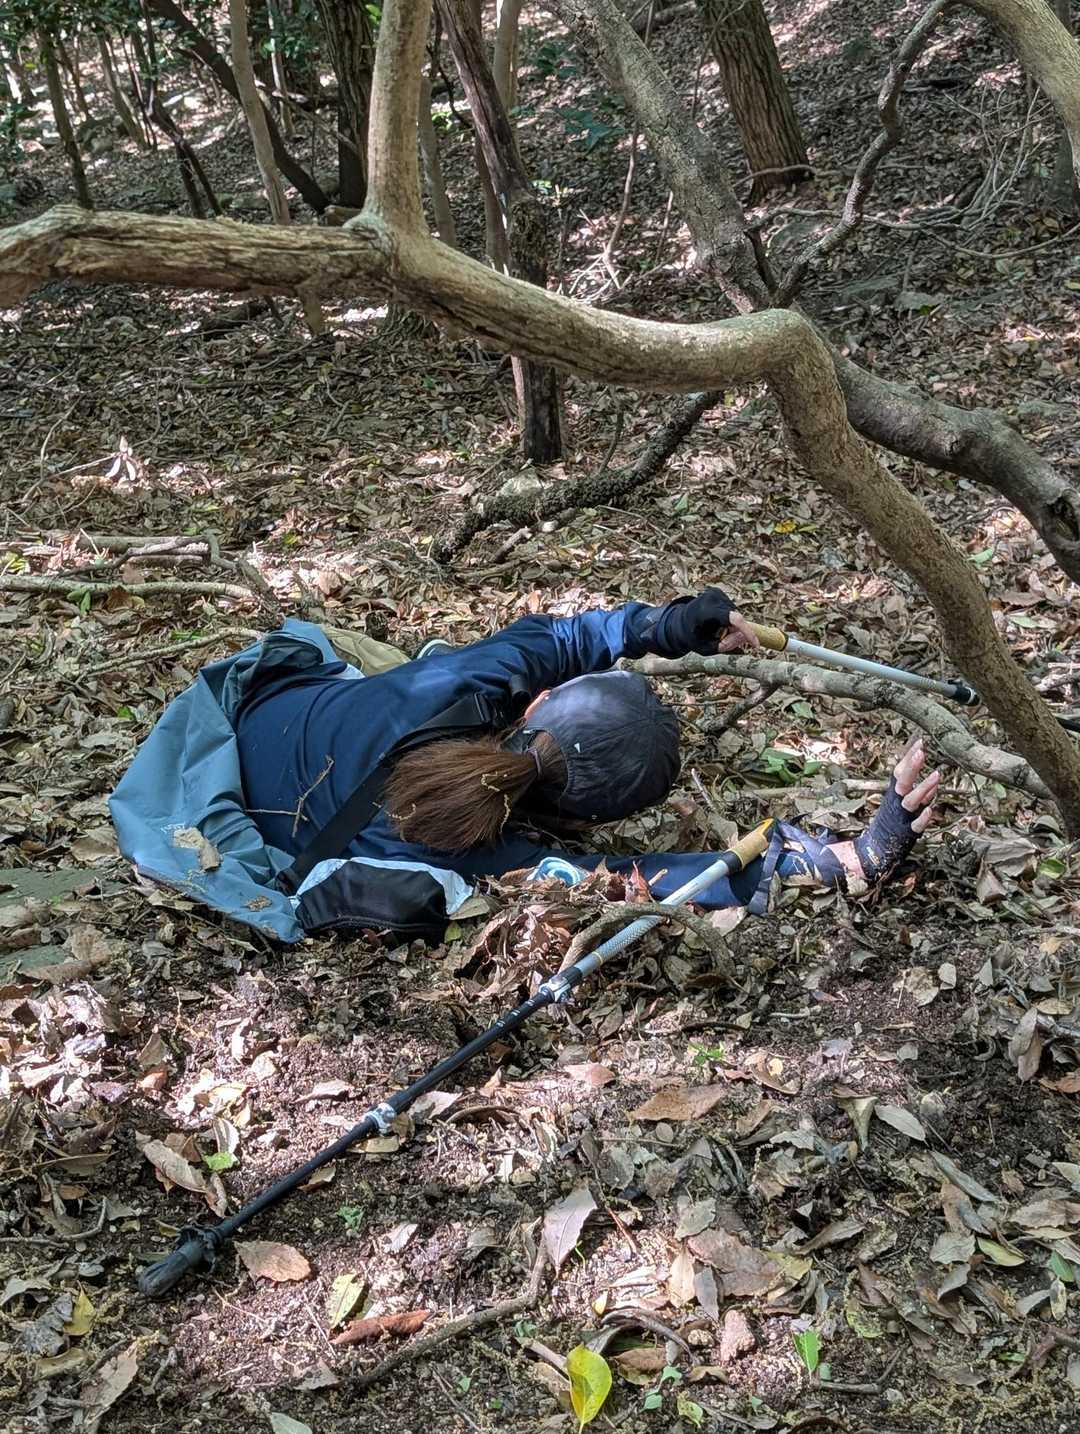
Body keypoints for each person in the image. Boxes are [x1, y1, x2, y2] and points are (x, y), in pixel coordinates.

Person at [233, 590, 940, 937]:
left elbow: (566, 637)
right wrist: (855, 853)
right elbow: (647, 877)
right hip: (257, 807)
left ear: (539, 703)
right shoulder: (495, 856)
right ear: (579, 817)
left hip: (253, 710)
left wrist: (666, 625)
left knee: (424, 662)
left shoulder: (463, 683)